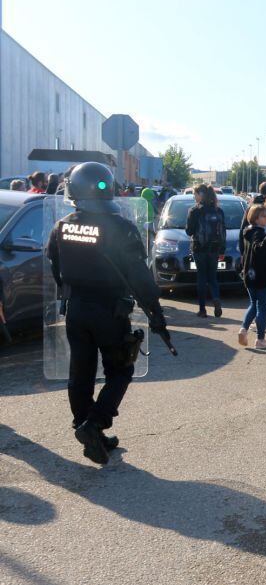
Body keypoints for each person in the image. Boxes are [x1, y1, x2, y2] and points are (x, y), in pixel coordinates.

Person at [44, 162, 169, 465]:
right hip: (110, 312)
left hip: (76, 311)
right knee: (121, 369)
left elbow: (54, 266)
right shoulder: (122, 227)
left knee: (81, 372)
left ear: (72, 189)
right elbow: (139, 277)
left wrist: (67, 292)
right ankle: (94, 424)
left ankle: (89, 432)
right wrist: (156, 314)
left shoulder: (63, 225)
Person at [238, 204, 266, 349]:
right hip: (261, 274)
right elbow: (259, 249)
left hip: (249, 273)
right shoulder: (259, 233)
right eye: (263, 216)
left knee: (253, 304)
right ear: (255, 218)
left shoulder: (247, 231)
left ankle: (243, 329)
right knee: (262, 306)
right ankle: (260, 339)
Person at [185, 184, 226, 319]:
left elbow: (189, 231)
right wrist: (222, 249)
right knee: (213, 277)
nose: (193, 196)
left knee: (201, 277)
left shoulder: (194, 210)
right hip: (214, 249)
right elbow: (223, 232)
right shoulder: (218, 210)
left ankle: (202, 309)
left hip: (199, 248)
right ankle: (216, 298)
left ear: (201, 194)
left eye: (195, 194)